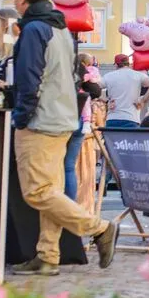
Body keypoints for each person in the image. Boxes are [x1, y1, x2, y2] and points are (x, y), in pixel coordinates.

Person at [9, 0, 118, 276]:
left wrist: (21, 115)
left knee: (37, 191)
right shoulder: (61, 28)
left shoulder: (33, 30)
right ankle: (47, 255)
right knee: (52, 188)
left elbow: (30, 77)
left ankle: (99, 228)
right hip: (64, 116)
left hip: (41, 119)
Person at [64, 53, 102, 202]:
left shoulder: (71, 71)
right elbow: (96, 90)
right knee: (69, 166)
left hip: (68, 116)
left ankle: (62, 204)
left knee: (61, 165)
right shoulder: (89, 74)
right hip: (81, 117)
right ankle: (70, 204)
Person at [104, 54, 149, 129]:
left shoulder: (108, 76)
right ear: (128, 63)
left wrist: (105, 101)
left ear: (116, 64)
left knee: (112, 140)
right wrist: (143, 100)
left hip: (113, 118)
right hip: (131, 118)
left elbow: (96, 87)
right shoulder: (138, 75)